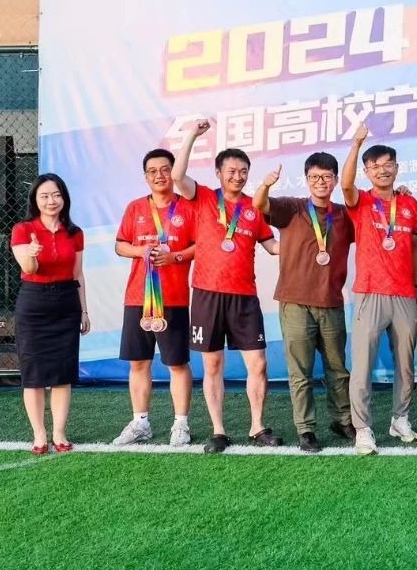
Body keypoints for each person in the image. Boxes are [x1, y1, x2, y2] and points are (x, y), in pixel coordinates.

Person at [172, 120, 280, 453]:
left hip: (244, 297)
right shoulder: (203, 197)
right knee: (213, 365)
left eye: (243, 171)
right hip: (207, 294)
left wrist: (305, 243)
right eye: (231, 171)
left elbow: (273, 247)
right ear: (218, 173)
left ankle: (257, 427)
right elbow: (177, 176)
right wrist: (192, 135)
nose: (238, 176)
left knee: (258, 364)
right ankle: (218, 430)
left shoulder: (254, 207)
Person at [253, 152, 355, 453]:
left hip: (331, 302)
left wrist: (399, 193)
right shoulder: (292, 208)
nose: (321, 182)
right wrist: (266, 185)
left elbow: (373, 219)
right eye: (314, 177)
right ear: (307, 179)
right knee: (301, 371)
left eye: (327, 177)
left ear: (335, 180)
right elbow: (259, 205)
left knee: (338, 368)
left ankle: (342, 420)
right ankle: (306, 429)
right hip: (295, 302)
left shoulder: (344, 214)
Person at [341, 124, 417, 455]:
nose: (382, 170)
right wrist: (357, 143)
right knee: (362, 365)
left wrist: (416, 286)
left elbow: (414, 246)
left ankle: (400, 418)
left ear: (397, 167)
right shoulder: (360, 201)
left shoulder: (409, 203)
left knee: (405, 364)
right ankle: (363, 429)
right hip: (370, 292)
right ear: (367, 172)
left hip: (405, 295)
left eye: (387, 164)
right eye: (374, 166)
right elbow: (345, 185)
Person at [111, 149, 198, 447]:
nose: (159, 175)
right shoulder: (135, 208)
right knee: (138, 363)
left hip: (173, 299)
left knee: (177, 363)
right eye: (152, 171)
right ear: (145, 176)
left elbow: (200, 245)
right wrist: (142, 251)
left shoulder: (188, 208)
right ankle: (140, 422)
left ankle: (181, 424)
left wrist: (174, 256)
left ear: (173, 172)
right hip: (138, 298)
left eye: (165, 169)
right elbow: (120, 245)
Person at [10, 174, 90, 454]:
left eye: (56, 195)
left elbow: (78, 274)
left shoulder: (75, 233)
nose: (51, 201)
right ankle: (39, 435)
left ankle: (59, 432)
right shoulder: (23, 230)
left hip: (67, 303)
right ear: (35, 200)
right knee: (33, 374)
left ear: (64, 198)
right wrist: (32, 253)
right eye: (44, 196)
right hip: (34, 304)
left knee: (62, 374)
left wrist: (84, 310)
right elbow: (29, 269)